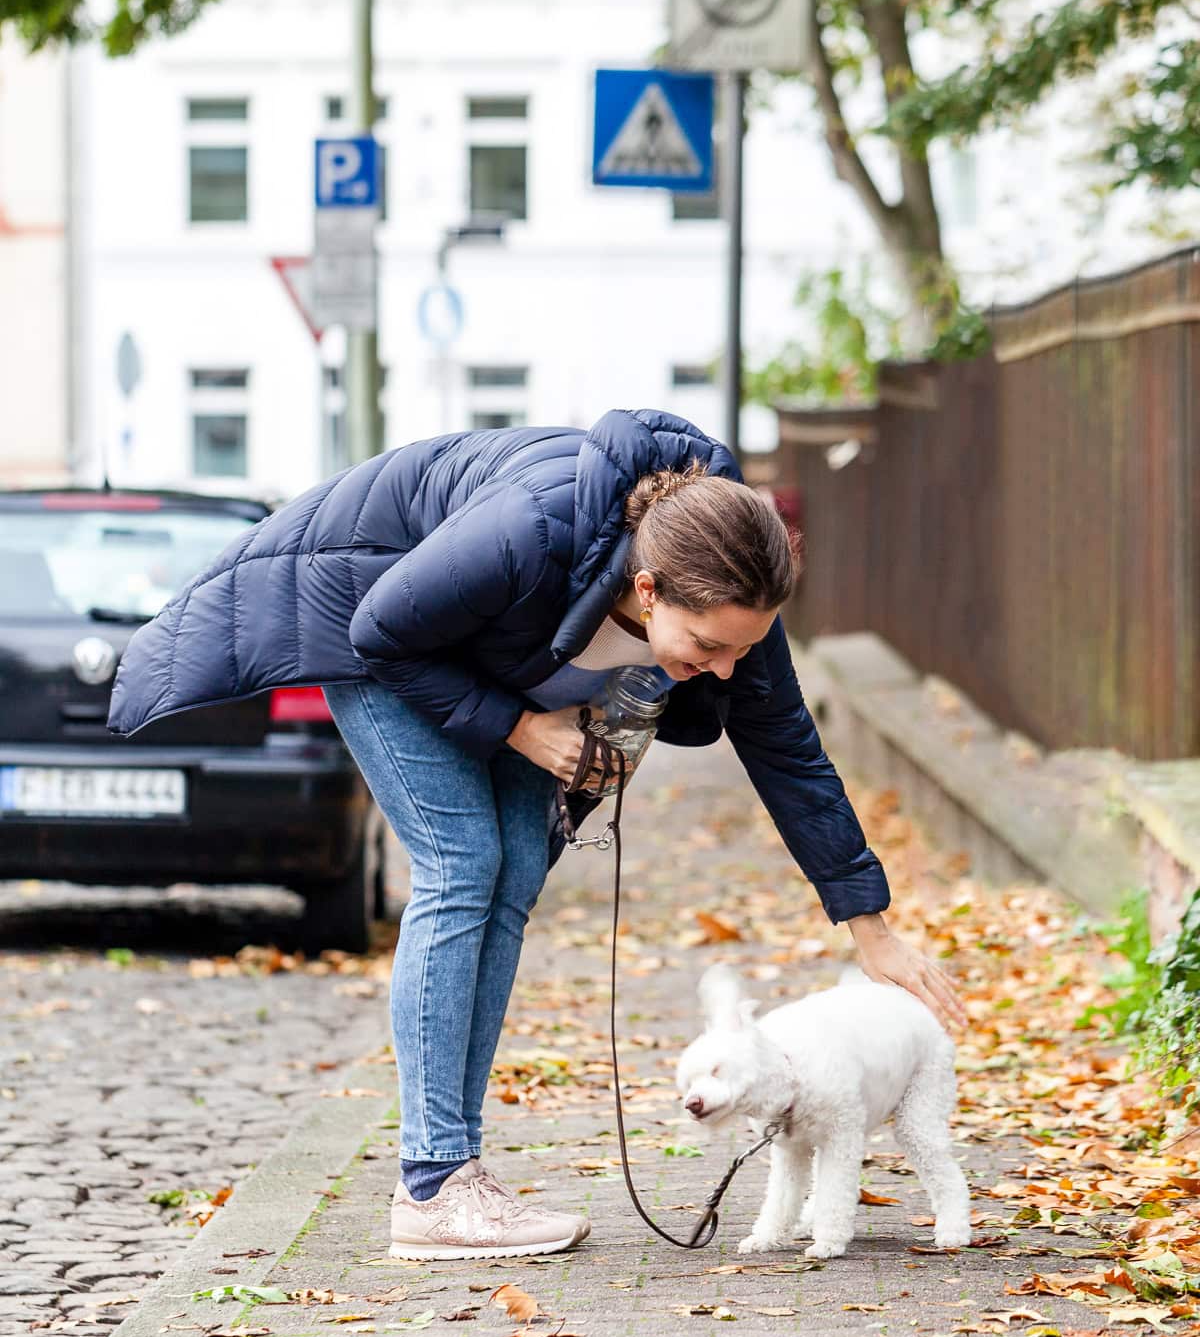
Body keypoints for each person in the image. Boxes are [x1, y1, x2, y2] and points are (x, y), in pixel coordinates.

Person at [109, 408, 965, 1261]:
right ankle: (434, 1187)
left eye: (739, 649)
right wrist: (519, 729)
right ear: (648, 588)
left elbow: (790, 755)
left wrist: (870, 926)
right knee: (462, 862)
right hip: (376, 628)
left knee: (516, 871)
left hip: (501, 655)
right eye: (706, 646)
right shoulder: (534, 528)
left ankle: (462, 1174)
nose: (725, 670)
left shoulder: (731, 581)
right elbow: (383, 630)